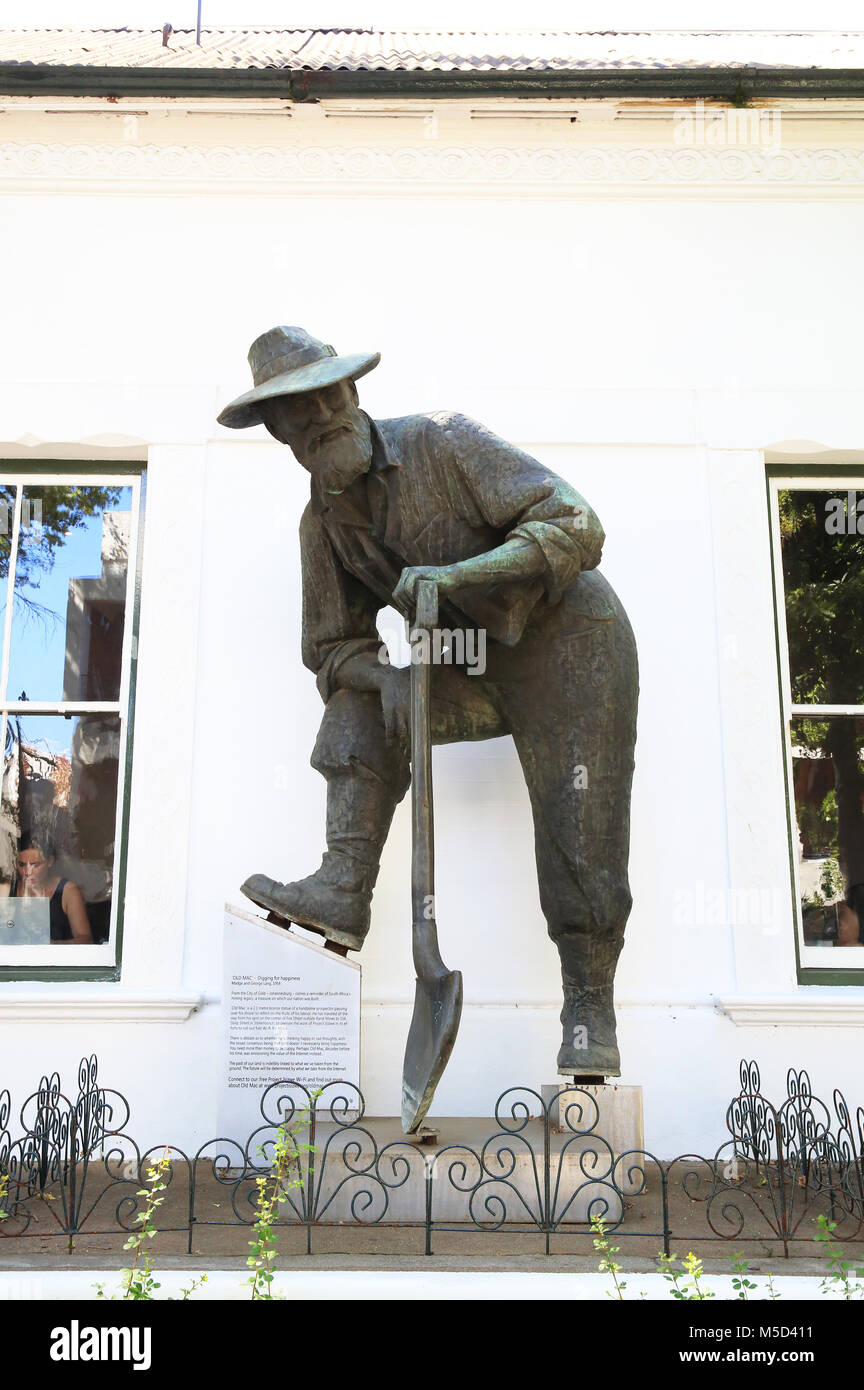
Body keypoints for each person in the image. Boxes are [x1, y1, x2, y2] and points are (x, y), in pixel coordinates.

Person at [218, 326, 639, 1077]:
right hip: (464, 663)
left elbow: (578, 523)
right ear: (280, 436)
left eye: (327, 395)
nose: (319, 417)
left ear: (353, 390)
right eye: (297, 414)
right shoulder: (323, 523)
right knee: (356, 705)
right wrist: (386, 681)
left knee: (581, 839)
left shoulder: (444, 442)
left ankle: (588, 1011)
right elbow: (331, 647)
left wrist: (460, 577)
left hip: (572, 643)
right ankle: (343, 890)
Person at [15, 832, 93, 944]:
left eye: (35, 865)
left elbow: (86, 940)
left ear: (50, 861)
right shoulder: (8, 888)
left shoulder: (68, 891)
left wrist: (50, 947)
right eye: (22, 865)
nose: (27, 872)